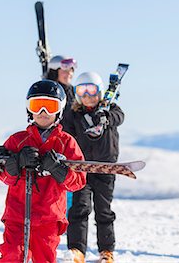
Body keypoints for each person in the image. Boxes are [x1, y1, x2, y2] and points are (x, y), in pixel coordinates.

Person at [0, 79, 87, 263]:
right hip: (17, 214)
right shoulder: (17, 141)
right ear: (29, 108)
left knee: (43, 259)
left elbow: (78, 181)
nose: (43, 113)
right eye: (37, 106)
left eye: (49, 106)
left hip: (48, 217)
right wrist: (15, 164)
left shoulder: (66, 143)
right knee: (12, 255)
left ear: (59, 109)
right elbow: (3, 175)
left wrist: (58, 170)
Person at [64, 72, 125, 263]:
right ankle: (76, 249)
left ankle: (106, 251)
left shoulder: (110, 110)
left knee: (104, 211)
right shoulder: (73, 115)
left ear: (100, 91)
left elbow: (120, 117)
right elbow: (66, 135)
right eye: (82, 91)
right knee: (79, 209)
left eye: (92, 90)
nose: (87, 95)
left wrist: (105, 115)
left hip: (105, 169)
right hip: (81, 169)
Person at [46, 55, 78, 130]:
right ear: (55, 72)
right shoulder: (49, 92)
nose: (69, 74)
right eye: (65, 71)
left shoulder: (74, 91)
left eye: (71, 70)